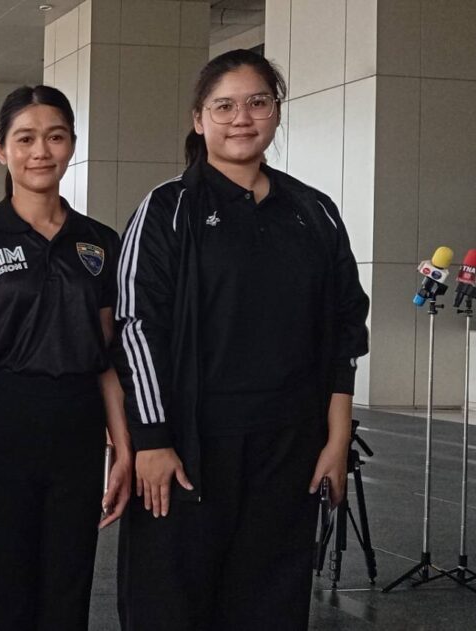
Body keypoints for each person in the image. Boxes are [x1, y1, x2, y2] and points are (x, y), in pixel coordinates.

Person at [114, 49, 370, 630]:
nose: (242, 118)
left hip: (287, 447)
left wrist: (336, 439)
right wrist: (152, 439)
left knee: (269, 606)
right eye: (224, 106)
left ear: (276, 111)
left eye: (258, 102)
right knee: (169, 607)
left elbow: (345, 330)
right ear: (198, 118)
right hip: (189, 448)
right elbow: (135, 326)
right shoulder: (167, 208)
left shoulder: (314, 211)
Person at [0, 85, 131, 630]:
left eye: (55, 137)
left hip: (78, 426)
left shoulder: (99, 241)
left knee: (66, 593)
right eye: (25, 139)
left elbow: (107, 354)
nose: (41, 152)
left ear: (72, 144)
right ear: (1, 149)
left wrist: (122, 446)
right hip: (4, 420)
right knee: (1, 591)